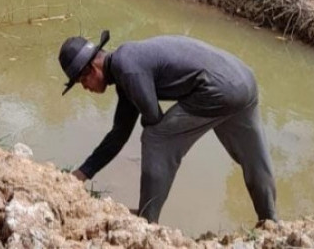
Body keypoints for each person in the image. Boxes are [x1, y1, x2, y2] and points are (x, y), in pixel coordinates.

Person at [58, 30, 277, 224]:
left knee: (155, 136)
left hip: (217, 90)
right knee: (253, 157)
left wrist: (146, 121)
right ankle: (269, 221)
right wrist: (83, 172)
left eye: (81, 82)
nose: (86, 88)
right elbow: (119, 134)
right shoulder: (127, 64)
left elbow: (153, 117)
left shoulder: (127, 68)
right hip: (243, 79)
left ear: (91, 70)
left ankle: (146, 219)